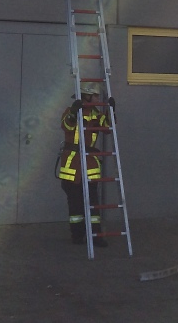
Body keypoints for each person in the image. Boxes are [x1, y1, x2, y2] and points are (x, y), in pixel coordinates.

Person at [56, 80, 109, 246]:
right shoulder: (70, 111)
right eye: (95, 95)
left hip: (90, 166)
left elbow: (108, 127)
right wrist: (73, 112)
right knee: (75, 207)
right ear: (87, 96)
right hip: (72, 167)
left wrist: (111, 110)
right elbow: (66, 126)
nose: (98, 98)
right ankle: (77, 236)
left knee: (93, 205)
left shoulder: (97, 115)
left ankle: (96, 237)